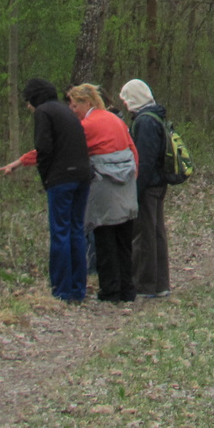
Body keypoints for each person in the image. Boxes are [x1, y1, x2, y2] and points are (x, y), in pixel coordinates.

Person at [0, 78, 91, 303]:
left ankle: (61, 291)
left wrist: (47, 178)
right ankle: (78, 289)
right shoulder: (67, 112)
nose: (28, 107)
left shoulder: (44, 112)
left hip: (62, 179)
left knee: (60, 232)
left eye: (28, 101)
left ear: (35, 98)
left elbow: (44, 148)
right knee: (76, 231)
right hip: (84, 176)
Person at [66, 84, 139, 304]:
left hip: (104, 189)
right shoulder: (116, 119)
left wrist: (25, 160)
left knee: (105, 241)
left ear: (87, 103)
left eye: (75, 104)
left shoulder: (87, 125)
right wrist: (133, 177)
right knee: (124, 242)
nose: (72, 109)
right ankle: (128, 290)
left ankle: (110, 292)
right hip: (126, 187)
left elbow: (68, 150)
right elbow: (133, 150)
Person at [121, 78, 171, 299]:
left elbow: (145, 160)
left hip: (149, 185)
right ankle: (160, 284)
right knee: (156, 232)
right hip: (158, 183)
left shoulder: (145, 122)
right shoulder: (154, 117)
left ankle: (145, 284)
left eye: (126, 98)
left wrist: (136, 190)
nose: (124, 104)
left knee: (145, 234)